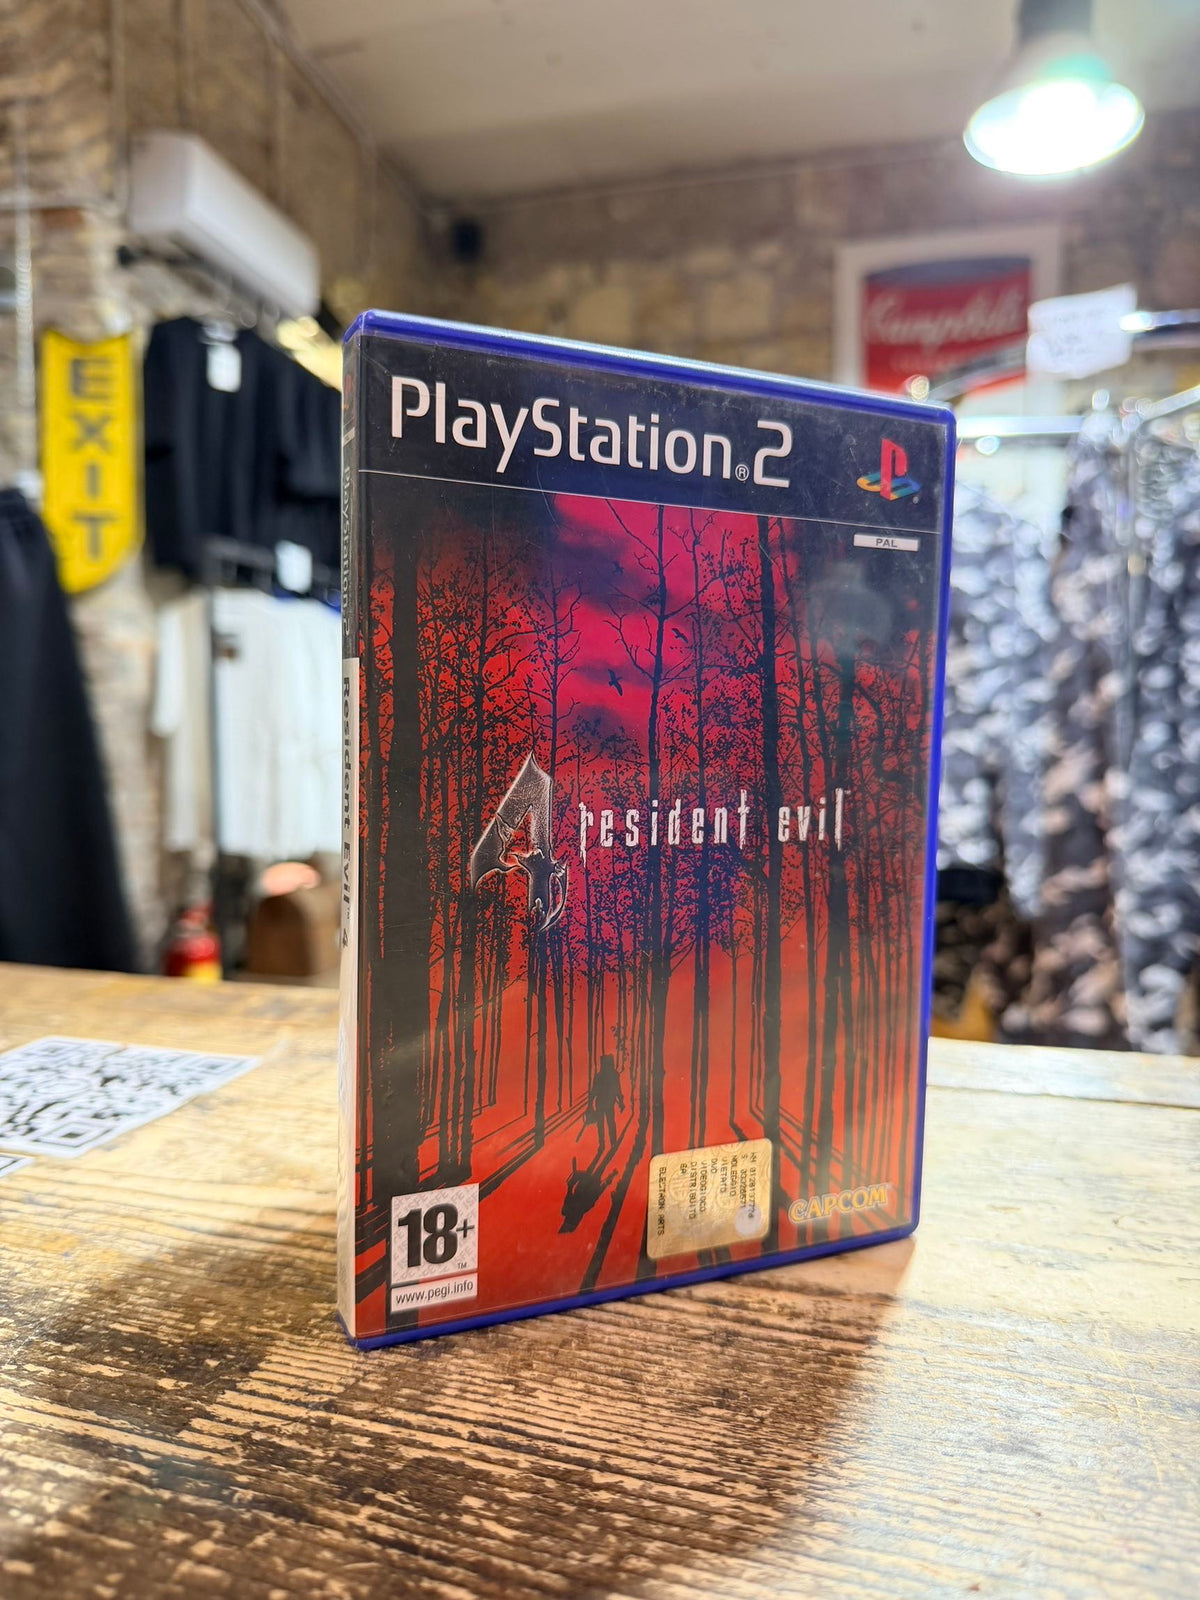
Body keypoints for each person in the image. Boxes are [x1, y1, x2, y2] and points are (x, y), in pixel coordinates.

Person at [589, 1053, 624, 1153]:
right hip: (607, 1104)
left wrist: (590, 1104)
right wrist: (621, 1102)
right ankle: (610, 1143)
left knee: (604, 1124)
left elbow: (594, 1091)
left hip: (602, 1104)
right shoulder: (613, 1075)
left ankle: (605, 1144)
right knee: (608, 1123)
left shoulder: (600, 1076)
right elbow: (617, 1090)